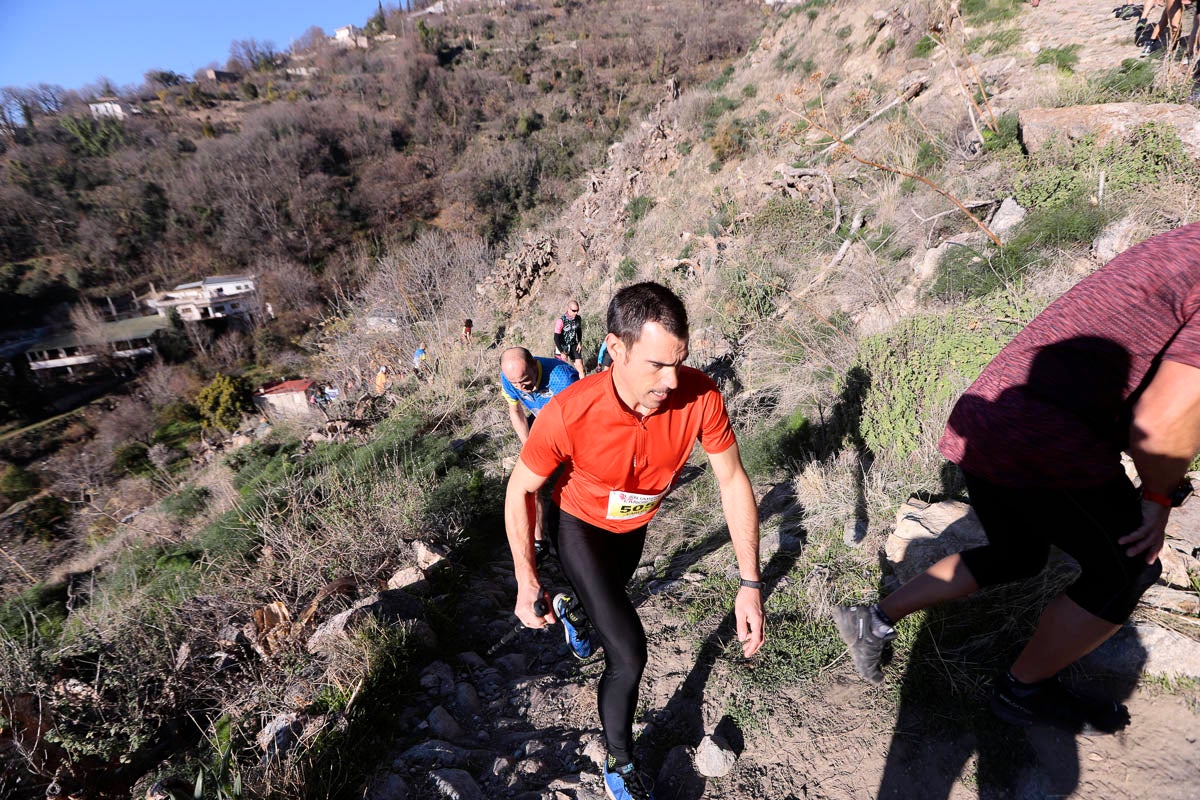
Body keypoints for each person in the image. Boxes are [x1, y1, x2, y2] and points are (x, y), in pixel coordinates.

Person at [833, 223, 1200, 731]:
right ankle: (1022, 692)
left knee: (1017, 554)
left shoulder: (1187, 243)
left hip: (991, 416)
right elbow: (1162, 423)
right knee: (1126, 568)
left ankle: (871, 621)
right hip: (1045, 438)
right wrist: (1159, 496)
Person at [505, 282, 765, 800]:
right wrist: (524, 575)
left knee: (603, 604)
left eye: (679, 361)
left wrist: (749, 581)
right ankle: (620, 766)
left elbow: (733, 481)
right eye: (655, 366)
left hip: (632, 530)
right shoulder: (568, 411)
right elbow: (520, 489)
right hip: (576, 524)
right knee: (628, 652)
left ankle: (575, 613)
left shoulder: (700, 395)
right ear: (616, 350)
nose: (671, 381)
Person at [499, 346, 580, 445]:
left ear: (534, 365)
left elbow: (577, 419)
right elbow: (516, 411)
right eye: (514, 383)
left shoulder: (564, 380)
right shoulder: (507, 378)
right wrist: (527, 447)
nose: (520, 387)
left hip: (568, 423)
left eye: (524, 380)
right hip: (542, 418)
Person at [554, 299, 586, 380]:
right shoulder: (561, 321)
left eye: (577, 310)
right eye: (574, 310)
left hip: (573, 344)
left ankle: (584, 384)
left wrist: (579, 342)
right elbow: (556, 337)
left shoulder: (578, 318)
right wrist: (561, 352)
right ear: (568, 309)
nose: (576, 313)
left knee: (580, 366)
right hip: (562, 346)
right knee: (563, 370)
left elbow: (579, 331)